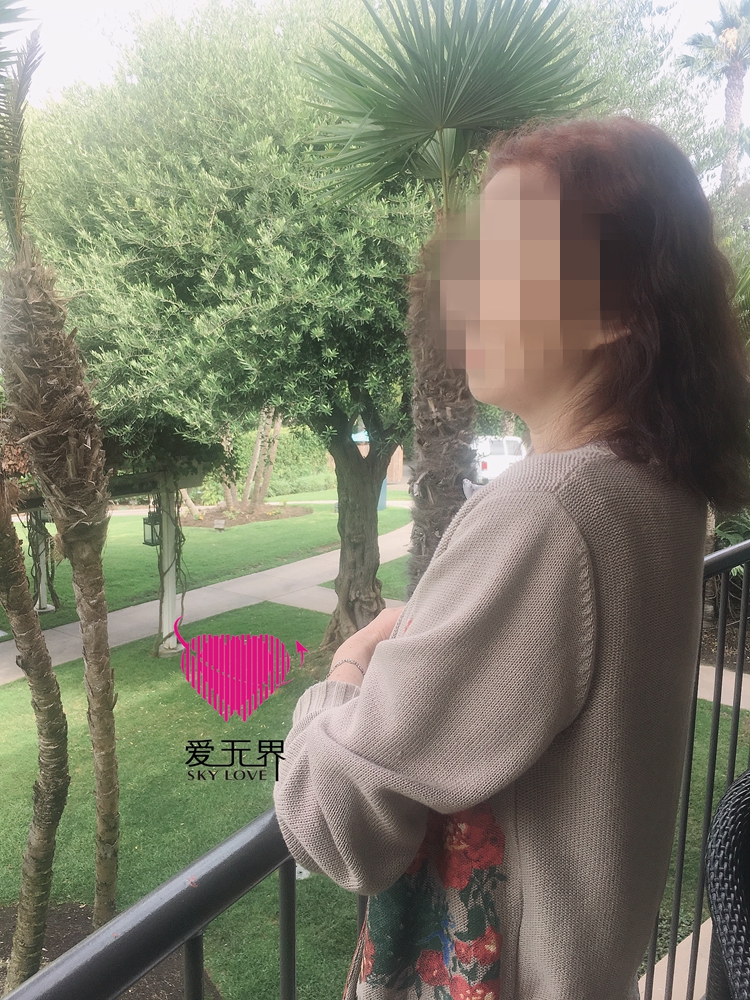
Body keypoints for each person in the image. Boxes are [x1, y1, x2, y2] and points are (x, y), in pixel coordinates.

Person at [272, 115, 750, 1000]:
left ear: (617, 310)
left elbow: (337, 819)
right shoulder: (662, 492)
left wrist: (347, 669)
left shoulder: (551, 512)